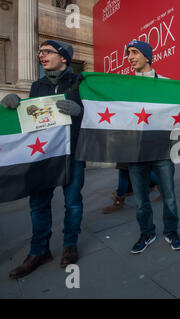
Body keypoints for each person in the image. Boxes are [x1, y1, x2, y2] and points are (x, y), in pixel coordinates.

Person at [1, 40, 85, 279]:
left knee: (73, 202)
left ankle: (70, 245)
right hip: (43, 155)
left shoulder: (80, 83)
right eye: (39, 51)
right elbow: (29, 118)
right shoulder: (36, 86)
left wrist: (80, 110)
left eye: (47, 51)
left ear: (64, 58)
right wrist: (11, 106)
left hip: (74, 151)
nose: (41, 55)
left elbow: (95, 114)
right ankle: (38, 251)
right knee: (38, 204)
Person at [124, 40, 180, 253]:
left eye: (134, 52)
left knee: (169, 195)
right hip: (135, 150)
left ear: (147, 56)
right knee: (141, 200)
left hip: (161, 149)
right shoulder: (124, 87)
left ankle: (171, 231)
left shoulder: (166, 83)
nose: (130, 57)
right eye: (128, 53)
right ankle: (147, 233)